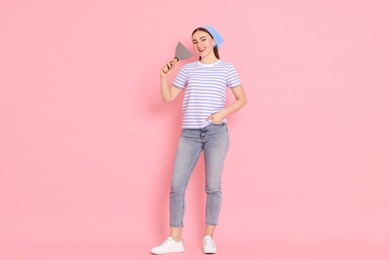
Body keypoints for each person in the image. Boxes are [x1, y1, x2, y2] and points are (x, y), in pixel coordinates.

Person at [151, 26, 247, 255]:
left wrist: (222, 114)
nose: (199, 44)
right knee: (176, 186)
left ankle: (208, 237)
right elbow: (168, 98)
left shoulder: (227, 68)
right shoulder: (188, 70)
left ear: (214, 41)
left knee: (213, 186)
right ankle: (175, 240)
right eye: (195, 41)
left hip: (216, 133)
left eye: (203, 39)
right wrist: (163, 78)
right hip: (189, 134)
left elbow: (242, 99)